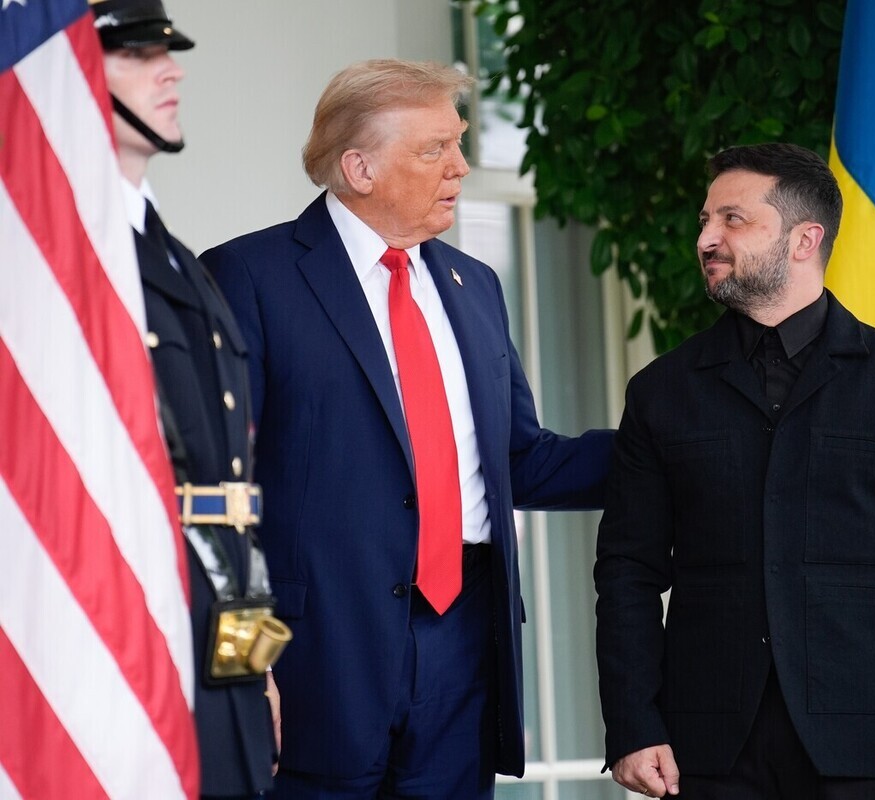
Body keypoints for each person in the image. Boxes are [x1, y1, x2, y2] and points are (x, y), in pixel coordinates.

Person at [201, 59, 613, 799]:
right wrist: (241, 668)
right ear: (359, 168)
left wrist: (673, 450)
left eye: (459, 142)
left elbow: (520, 460)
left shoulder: (474, 285)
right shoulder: (248, 276)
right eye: (435, 149)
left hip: (464, 649)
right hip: (314, 662)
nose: (460, 166)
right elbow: (217, 488)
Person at [594, 143, 875, 799]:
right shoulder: (661, 392)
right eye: (705, 220)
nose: (707, 238)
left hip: (869, 754)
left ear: (806, 239)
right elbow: (627, 571)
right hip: (705, 753)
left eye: (733, 219)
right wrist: (633, 722)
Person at [93, 1, 284, 796]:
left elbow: (223, 495)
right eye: (137, 55)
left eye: (166, 52)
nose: (170, 71)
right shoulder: (58, 260)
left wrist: (258, 663)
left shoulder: (176, 259)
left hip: (221, 631)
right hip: (126, 632)